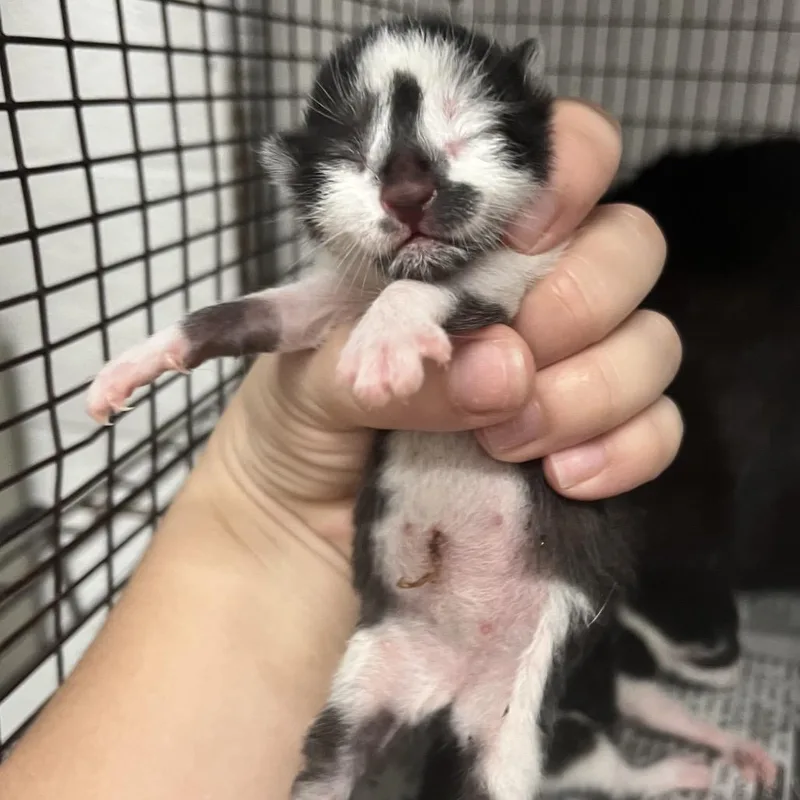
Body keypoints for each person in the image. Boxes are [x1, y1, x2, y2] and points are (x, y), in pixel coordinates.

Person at [0, 99, 681, 799]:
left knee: (498, 762)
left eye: (462, 140)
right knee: (333, 765)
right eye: (355, 160)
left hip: (531, 595)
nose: (410, 191)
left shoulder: (494, 260)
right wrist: (160, 351)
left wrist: (414, 305)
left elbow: (484, 295)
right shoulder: (360, 283)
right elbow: (283, 312)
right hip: (403, 609)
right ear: (294, 177)